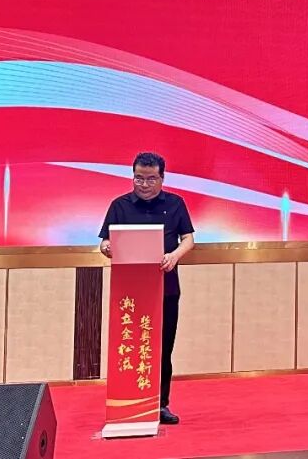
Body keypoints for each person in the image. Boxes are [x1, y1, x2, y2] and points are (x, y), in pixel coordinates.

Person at [99, 152, 195, 425]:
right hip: (129, 291)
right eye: (139, 178)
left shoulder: (176, 204)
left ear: (162, 178)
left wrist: (174, 256)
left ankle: (160, 404)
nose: (144, 184)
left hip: (166, 288)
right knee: (129, 345)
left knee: (162, 348)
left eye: (151, 179)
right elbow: (104, 242)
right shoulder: (119, 205)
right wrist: (106, 248)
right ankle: (127, 401)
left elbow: (188, 239)